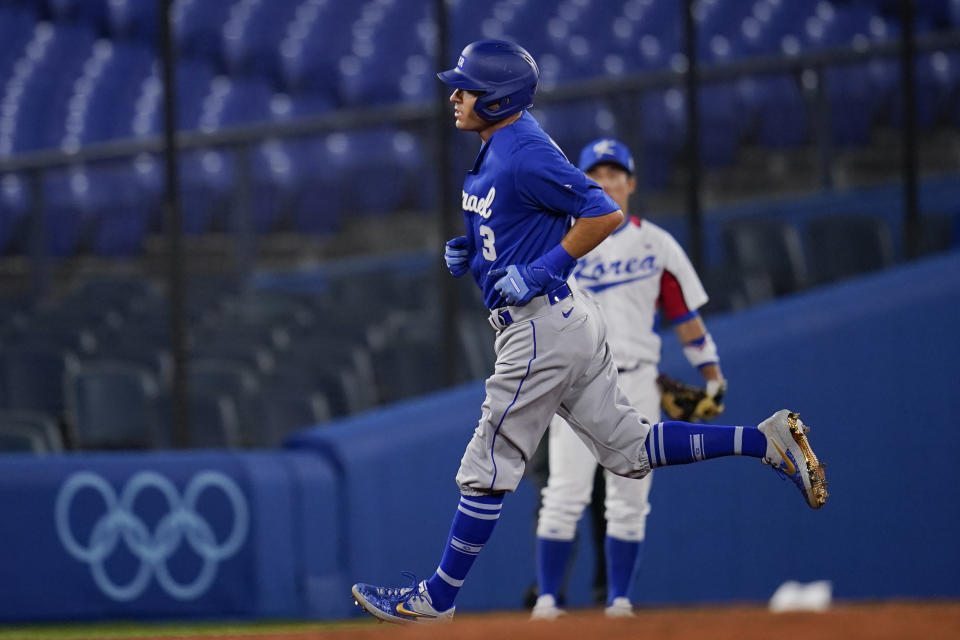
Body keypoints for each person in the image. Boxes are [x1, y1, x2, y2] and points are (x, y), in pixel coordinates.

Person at [350, 39, 828, 625]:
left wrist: (544, 267)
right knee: (629, 449)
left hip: (540, 329)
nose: (454, 95)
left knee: (489, 460)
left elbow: (602, 212)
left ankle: (436, 599)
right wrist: (475, 250)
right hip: (566, 323)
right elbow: (515, 218)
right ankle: (763, 439)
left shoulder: (523, 147)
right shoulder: (499, 142)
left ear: (498, 99)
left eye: (466, 87)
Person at [531, 138, 727, 620]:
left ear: (631, 183)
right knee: (564, 493)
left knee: (630, 497)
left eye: (615, 173)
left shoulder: (656, 244)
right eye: (595, 174)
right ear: (580, 183)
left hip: (636, 381)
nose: (606, 181)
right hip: (575, 382)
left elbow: (683, 315)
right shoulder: (562, 241)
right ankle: (547, 602)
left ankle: (619, 601)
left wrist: (712, 372)